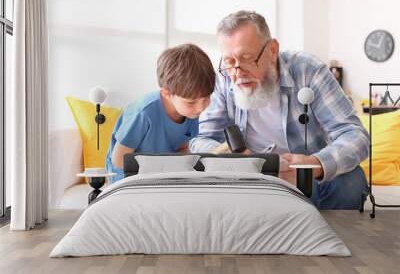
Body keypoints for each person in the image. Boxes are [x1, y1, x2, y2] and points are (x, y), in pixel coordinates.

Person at [189, 11, 369, 210]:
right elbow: (202, 140)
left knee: (351, 183)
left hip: (307, 181)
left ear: (273, 50)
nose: (237, 74)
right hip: (250, 182)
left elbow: (355, 136)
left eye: (247, 58)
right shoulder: (223, 79)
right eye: (229, 62)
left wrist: (313, 165)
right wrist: (235, 161)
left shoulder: (308, 70)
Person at [106, 44, 215, 183]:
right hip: (128, 176)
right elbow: (119, 159)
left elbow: (182, 147)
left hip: (160, 175)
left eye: (206, 98)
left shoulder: (190, 111)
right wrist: (157, 172)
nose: (201, 108)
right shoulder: (143, 113)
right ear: (167, 93)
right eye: (191, 102)